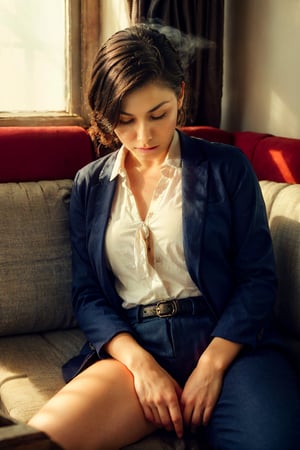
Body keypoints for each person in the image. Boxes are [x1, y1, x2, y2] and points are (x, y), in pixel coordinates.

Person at [28, 24, 300, 450]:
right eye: (124, 121)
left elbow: (257, 279)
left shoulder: (226, 167)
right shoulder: (89, 185)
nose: (144, 136)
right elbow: (87, 295)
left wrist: (211, 366)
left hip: (226, 343)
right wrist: (142, 366)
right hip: (135, 347)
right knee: (37, 443)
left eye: (159, 114)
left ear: (182, 96)